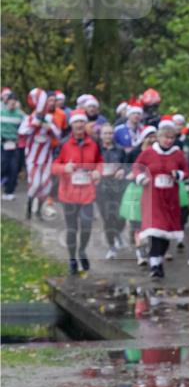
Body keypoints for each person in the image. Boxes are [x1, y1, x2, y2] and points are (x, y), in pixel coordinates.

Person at [133, 119, 187, 279]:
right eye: (166, 137)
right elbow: (137, 166)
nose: (168, 140)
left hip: (170, 198)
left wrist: (178, 175)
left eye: (171, 138)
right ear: (159, 137)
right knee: (155, 231)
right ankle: (155, 265)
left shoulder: (177, 154)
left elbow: (186, 170)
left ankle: (159, 260)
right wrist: (141, 177)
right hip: (153, 197)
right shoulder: (149, 153)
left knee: (166, 234)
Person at [52, 109, 103, 275]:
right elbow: (52, 166)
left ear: (85, 124)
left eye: (82, 121)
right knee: (72, 229)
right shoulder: (63, 143)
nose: (80, 125)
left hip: (87, 193)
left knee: (87, 226)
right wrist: (64, 167)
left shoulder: (94, 142)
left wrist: (98, 172)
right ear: (71, 124)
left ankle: (82, 251)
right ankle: (72, 258)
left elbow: (99, 162)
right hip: (68, 194)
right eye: (76, 122)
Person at [18, 89, 61, 219]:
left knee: (46, 186)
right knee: (36, 184)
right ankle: (30, 206)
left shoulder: (50, 118)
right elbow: (22, 133)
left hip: (46, 157)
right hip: (32, 157)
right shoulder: (29, 118)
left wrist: (49, 127)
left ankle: (39, 209)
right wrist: (34, 124)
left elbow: (58, 134)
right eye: (49, 101)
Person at [120, 126, 158, 265]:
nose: (153, 139)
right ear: (144, 138)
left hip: (153, 190)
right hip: (136, 189)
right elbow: (126, 168)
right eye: (150, 136)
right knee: (137, 222)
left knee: (152, 222)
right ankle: (140, 252)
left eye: (155, 136)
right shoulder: (134, 152)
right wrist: (129, 174)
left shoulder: (158, 152)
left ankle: (151, 248)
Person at [95, 122, 128, 258]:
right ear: (100, 135)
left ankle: (118, 233)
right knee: (108, 218)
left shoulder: (120, 150)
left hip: (118, 187)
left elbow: (128, 165)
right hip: (102, 188)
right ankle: (112, 247)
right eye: (105, 133)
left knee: (121, 217)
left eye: (110, 133)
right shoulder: (95, 150)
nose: (108, 136)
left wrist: (123, 170)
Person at [1, 92, 25, 200]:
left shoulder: (20, 114)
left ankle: (9, 192)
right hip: (2, 143)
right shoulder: (1, 112)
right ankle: (3, 181)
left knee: (14, 168)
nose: (12, 104)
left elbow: (28, 123)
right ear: (7, 102)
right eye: (11, 102)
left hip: (14, 144)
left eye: (14, 103)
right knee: (3, 165)